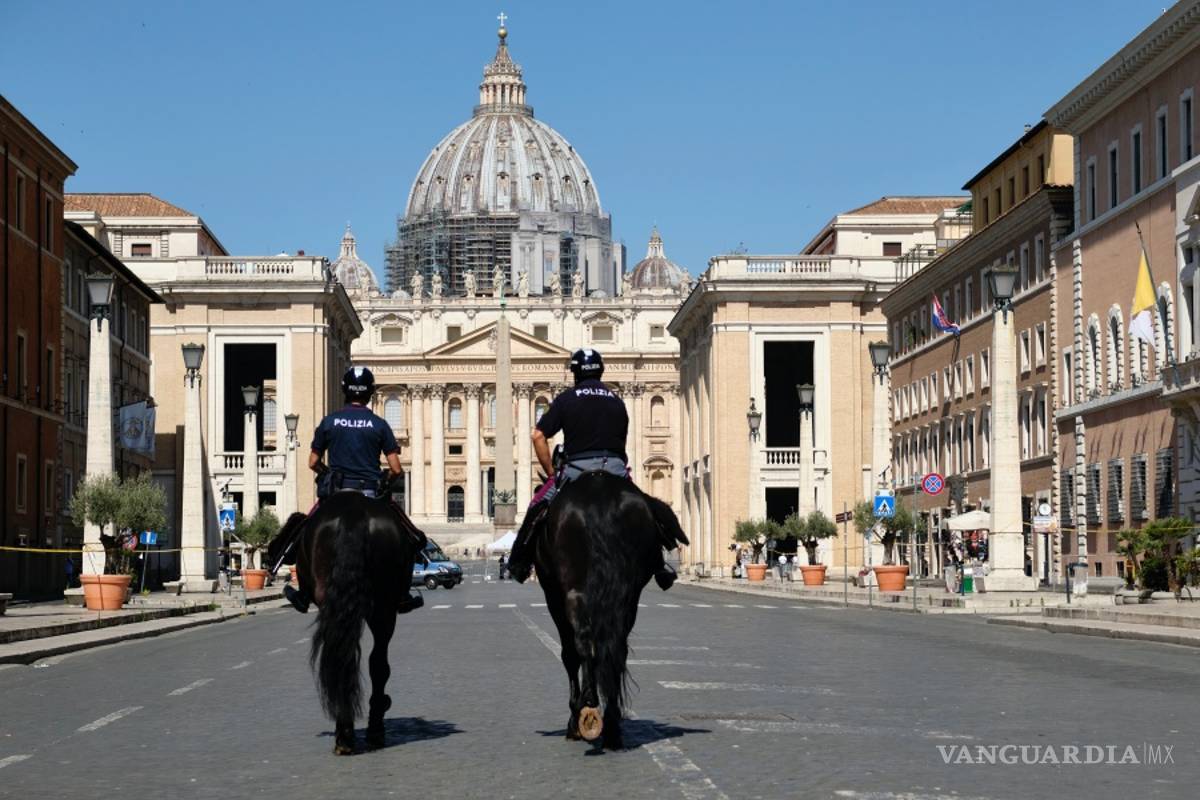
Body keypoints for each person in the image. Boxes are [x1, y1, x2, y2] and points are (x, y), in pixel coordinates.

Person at [505, 348, 680, 589]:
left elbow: (538, 436)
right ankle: (660, 566)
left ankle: (519, 563)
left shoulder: (567, 399)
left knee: (537, 506)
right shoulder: (617, 401)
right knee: (648, 508)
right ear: (601, 371)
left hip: (577, 468)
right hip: (615, 467)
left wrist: (553, 473)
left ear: (575, 372)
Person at [283, 366, 424, 615]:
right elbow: (396, 468)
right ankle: (402, 594)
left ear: (344, 391)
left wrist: (328, 474)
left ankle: (304, 593)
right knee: (412, 539)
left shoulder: (329, 422)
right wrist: (385, 480)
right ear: (370, 393)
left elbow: (312, 462)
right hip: (370, 492)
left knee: (301, 533)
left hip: (336, 492)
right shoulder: (379, 425)